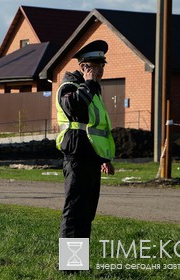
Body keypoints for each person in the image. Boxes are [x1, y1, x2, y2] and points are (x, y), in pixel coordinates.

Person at [56, 40, 116, 238]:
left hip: (91, 158)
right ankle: (70, 266)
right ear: (84, 68)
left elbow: (98, 128)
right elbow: (74, 108)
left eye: (102, 67)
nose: (100, 71)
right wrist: (89, 83)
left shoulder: (93, 90)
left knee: (87, 213)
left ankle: (79, 264)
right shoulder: (69, 86)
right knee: (74, 212)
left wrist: (104, 158)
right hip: (76, 157)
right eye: (96, 67)